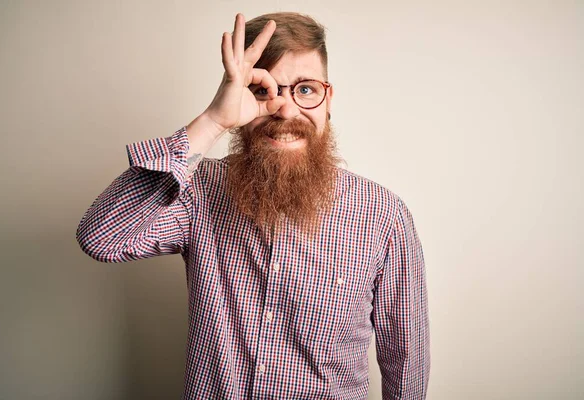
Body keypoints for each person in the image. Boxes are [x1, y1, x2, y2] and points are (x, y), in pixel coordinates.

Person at [76, 12, 430, 400]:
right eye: (264, 90)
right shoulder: (200, 190)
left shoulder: (383, 216)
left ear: (329, 99)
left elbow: (405, 360)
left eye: (306, 89)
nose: (286, 110)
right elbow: (101, 238)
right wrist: (212, 121)